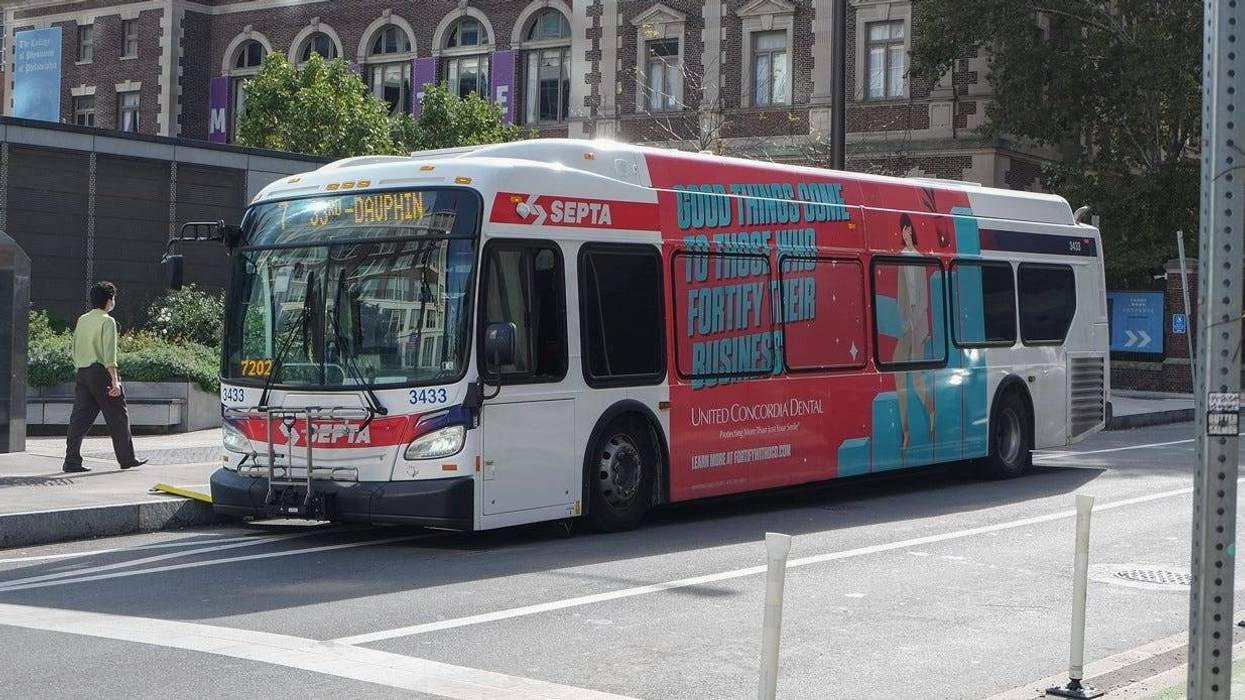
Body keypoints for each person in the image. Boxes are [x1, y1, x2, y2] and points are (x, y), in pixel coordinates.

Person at [63, 282, 147, 473]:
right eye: (113, 298)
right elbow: (109, 355)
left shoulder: (82, 319)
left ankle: (71, 460)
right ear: (109, 300)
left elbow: (75, 347)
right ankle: (127, 458)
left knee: (79, 418)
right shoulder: (107, 321)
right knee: (118, 415)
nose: (113, 302)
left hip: (83, 372)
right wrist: (115, 380)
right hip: (101, 373)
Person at [894, 214, 935, 450]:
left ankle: (931, 412)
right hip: (906, 323)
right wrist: (903, 319)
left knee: (916, 376)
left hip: (917, 325)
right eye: (902, 230)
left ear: (911, 230)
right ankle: (906, 431)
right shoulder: (900, 259)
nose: (904, 233)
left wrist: (912, 321)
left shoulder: (919, 259)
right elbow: (902, 296)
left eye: (906, 229)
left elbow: (923, 302)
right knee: (897, 372)